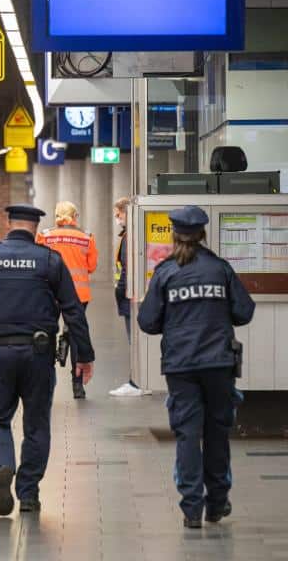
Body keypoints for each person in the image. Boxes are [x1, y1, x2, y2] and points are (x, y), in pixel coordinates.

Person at [0, 204, 95, 516]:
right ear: (35, 228)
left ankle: (2, 465)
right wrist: (85, 356)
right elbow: (73, 311)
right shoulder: (50, 260)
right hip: (38, 354)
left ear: (10, 223)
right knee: (37, 424)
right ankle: (28, 494)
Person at [137, 206, 254, 529]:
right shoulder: (220, 269)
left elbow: (147, 321)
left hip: (181, 365)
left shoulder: (165, 272)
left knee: (188, 434)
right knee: (217, 433)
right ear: (203, 234)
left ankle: (191, 509)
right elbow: (244, 312)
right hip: (219, 363)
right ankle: (217, 503)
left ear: (174, 234)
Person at [36, 201, 98, 399]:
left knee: (45, 334)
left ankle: (46, 382)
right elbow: (91, 266)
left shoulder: (44, 236)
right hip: (78, 295)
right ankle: (77, 386)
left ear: (56, 216)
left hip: (49, 294)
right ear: (75, 216)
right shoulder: (87, 237)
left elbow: (37, 263)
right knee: (78, 335)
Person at [109, 196, 147, 397]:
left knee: (135, 341)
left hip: (129, 296)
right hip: (133, 295)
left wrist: (120, 292)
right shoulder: (132, 234)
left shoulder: (129, 237)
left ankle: (137, 382)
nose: (117, 219)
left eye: (118, 214)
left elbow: (126, 270)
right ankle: (141, 380)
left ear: (127, 212)